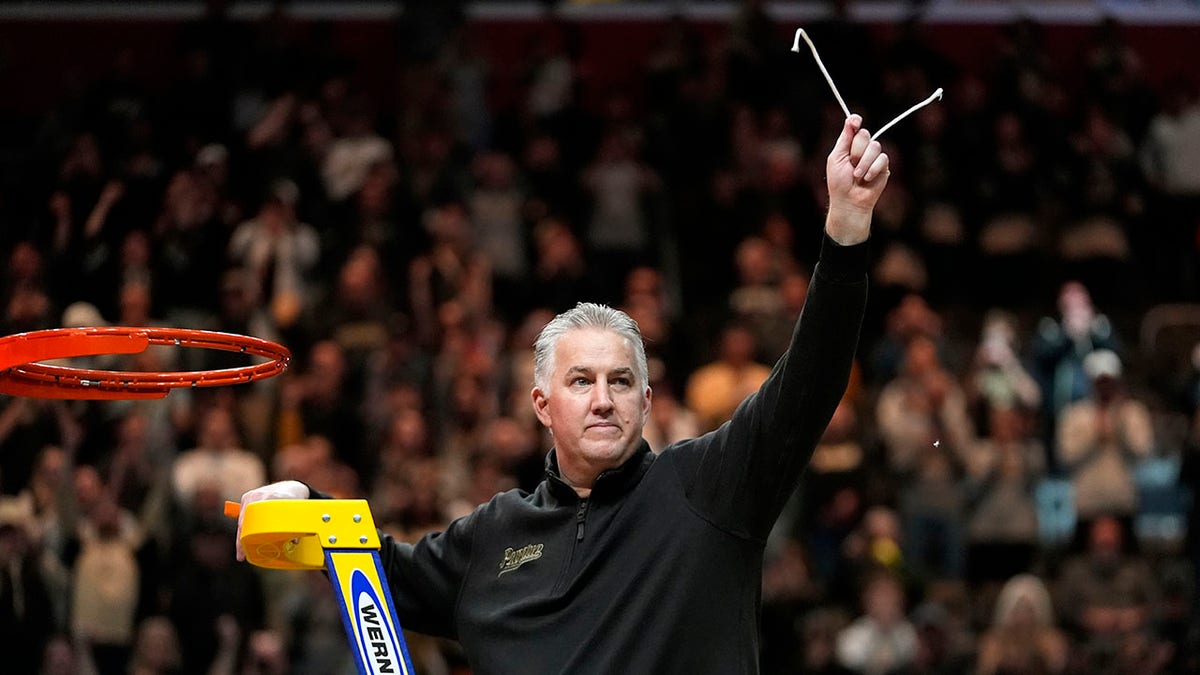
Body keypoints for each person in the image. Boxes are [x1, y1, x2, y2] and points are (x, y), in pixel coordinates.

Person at [234, 114, 890, 673]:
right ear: (542, 404)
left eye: (621, 381)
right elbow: (380, 576)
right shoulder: (492, 534)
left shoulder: (710, 486)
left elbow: (812, 377)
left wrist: (847, 226)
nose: (603, 398)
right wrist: (309, 503)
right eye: (581, 380)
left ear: (646, 400)